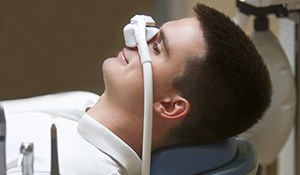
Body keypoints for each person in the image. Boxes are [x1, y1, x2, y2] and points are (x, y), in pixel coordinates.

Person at [4, 3, 271, 175]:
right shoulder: (83, 102)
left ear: (169, 105)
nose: (137, 37)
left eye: (157, 47)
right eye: (152, 32)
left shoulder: (82, 168)